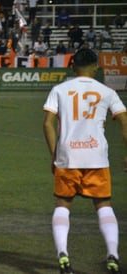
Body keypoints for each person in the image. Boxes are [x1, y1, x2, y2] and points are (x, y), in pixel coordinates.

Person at [43, 48, 127, 274]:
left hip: (68, 156)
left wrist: (54, 154)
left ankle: (63, 254)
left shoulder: (60, 89)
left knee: (63, 205)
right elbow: (124, 120)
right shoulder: (107, 91)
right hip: (96, 157)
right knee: (103, 206)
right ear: (96, 67)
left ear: (72, 66)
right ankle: (113, 255)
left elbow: (47, 123)